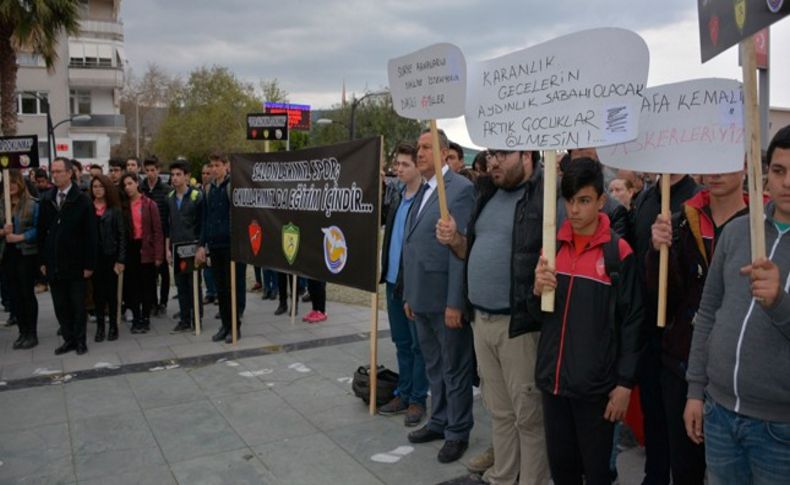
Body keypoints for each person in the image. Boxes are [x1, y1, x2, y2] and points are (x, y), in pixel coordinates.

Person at [437, 149, 551, 484]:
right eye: (490, 154)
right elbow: (468, 250)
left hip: (519, 326)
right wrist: (455, 239)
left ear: (527, 155)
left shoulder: (546, 196)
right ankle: (503, 476)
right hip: (481, 321)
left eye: (502, 154)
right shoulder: (487, 193)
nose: (493, 162)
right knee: (499, 411)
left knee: (529, 417)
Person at [684, 125, 790, 484]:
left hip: (779, 429)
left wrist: (779, 302)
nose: (787, 182)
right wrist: (695, 390)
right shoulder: (737, 232)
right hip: (719, 413)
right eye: (779, 171)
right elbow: (708, 314)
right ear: (765, 175)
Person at [531, 158, 644, 485]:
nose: (575, 210)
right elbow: (536, 312)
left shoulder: (618, 253)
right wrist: (536, 290)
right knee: (562, 470)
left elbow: (633, 323)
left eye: (583, 200)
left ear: (601, 201)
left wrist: (624, 385)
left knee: (596, 473)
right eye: (569, 201)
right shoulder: (551, 248)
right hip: (554, 383)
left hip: (596, 389)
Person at [646, 167, 749, 484]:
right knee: (685, 469)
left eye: (726, 162)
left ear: (745, 165)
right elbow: (663, 297)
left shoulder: (761, 226)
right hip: (681, 365)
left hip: (738, 376)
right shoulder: (680, 221)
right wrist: (657, 253)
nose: (716, 173)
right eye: (710, 163)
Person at [401, 129, 476, 463]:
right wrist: (409, 294)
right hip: (421, 297)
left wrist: (455, 301)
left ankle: (457, 431)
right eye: (418, 147)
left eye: (426, 147)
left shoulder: (459, 190)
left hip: (445, 300)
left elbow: (459, 247)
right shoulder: (423, 190)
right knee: (434, 366)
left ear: (445, 153)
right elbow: (413, 244)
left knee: (455, 368)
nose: (419, 153)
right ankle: (440, 419)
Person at [628, 171, 699, 485]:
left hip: (680, 333)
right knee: (653, 412)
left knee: (680, 422)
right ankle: (654, 475)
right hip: (645, 326)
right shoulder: (644, 199)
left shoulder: (694, 202)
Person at [378, 143, 429, 427]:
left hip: (413, 283)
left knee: (418, 344)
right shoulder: (396, 194)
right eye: (397, 164)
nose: (399, 169)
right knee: (401, 342)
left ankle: (417, 399)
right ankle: (404, 390)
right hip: (393, 279)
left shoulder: (426, 198)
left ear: (417, 167)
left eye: (405, 165)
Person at [38, 157, 97, 355]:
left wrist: (89, 264)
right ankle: (68, 338)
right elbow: (41, 232)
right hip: (54, 262)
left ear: (69, 173)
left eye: (58, 171)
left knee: (77, 305)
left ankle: (80, 340)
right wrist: (43, 261)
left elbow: (91, 235)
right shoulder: (47, 199)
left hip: (76, 262)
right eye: (52, 172)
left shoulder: (82, 200)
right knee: (60, 305)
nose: (54, 175)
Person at [196, 152, 240, 343]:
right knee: (220, 288)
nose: (214, 169)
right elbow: (205, 219)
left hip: (230, 244)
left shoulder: (232, 187)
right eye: (211, 166)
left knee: (232, 288)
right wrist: (201, 245)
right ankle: (225, 325)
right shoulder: (208, 190)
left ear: (226, 166)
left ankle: (235, 326)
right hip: (214, 245)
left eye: (217, 165)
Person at [1, 170, 40, 349]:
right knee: (14, 294)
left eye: (14, 183)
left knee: (26, 293)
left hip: (26, 254)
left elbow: (37, 229)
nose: (11, 187)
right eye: (8, 183)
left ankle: (31, 332)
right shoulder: (2, 204)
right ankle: (22, 331)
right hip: (7, 254)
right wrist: (3, 232)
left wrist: (20, 237)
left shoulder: (32, 204)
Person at [120, 173, 163, 334]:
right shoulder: (123, 205)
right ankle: (136, 317)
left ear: (137, 183)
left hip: (146, 247)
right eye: (125, 185)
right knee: (132, 286)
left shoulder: (149, 204)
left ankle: (145, 317)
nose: (128, 187)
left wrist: (158, 255)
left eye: (130, 183)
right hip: (130, 248)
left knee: (147, 285)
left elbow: (158, 230)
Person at [166, 160, 203, 333]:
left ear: (187, 176)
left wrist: (202, 247)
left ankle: (197, 317)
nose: (175, 178)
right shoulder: (170, 198)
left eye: (178, 174)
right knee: (181, 285)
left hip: (193, 247)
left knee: (194, 283)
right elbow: (168, 225)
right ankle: (184, 319)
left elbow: (203, 224)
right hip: (177, 247)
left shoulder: (197, 196)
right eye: (172, 175)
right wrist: (167, 248)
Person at [90, 174, 126, 342]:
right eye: (95, 186)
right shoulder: (88, 208)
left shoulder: (115, 209)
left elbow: (122, 236)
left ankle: (113, 326)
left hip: (111, 256)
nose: (97, 189)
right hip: (94, 258)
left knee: (112, 294)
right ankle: (100, 327)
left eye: (100, 186)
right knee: (97, 295)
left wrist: (121, 259)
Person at [141, 158, 171, 317]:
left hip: (163, 235)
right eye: (148, 170)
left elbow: (169, 214)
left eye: (153, 170)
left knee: (164, 272)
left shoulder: (166, 189)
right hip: (147, 236)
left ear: (158, 170)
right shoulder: (141, 188)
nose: (151, 173)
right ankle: (152, 301)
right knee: (150, 273)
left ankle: (163, 302)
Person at [199, 163, 217, 304]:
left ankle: (216, 292)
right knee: (205, 266)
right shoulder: (198, 190)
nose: (205, 176)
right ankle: (209, 292)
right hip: (202, 232)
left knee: (214, 265)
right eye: (203, 173)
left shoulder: (215, 190)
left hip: (214, 233)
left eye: (207, 173)